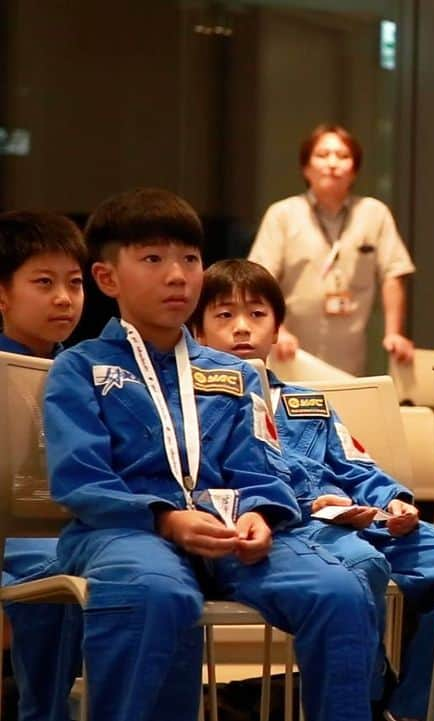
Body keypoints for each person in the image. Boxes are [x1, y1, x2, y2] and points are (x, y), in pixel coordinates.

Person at [44, 188, 379, 721]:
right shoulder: (80, 368)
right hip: (126, 531)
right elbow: (80, 478)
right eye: (153, 259)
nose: (178, 275)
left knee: (337, 589)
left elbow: (262, 466)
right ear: (107, 278)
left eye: (190, 259)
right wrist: (166, 520)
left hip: (231, 532)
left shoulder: (237, 374)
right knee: (154, 591)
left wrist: (261, 515)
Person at [192, 258, 434, 721]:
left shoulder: (307, 402)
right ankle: (368, 698)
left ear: (277, 329)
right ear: (198, 330)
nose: (241, 329)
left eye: (256, 314)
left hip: (358, 519)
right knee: (360, 563)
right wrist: (311, 505)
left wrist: (393, 502)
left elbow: (357, 465)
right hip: (292, 531)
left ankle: (417, 711)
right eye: (224, 316)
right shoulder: (198, 407)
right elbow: (213, 487)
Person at [0, 211, 86, 721]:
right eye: (44, 282)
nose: (63, 297)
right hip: (17, 541)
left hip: (76, 531)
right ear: (3, 294)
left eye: (74, 283)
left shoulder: (92, 369)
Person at [249, 123, 416, 375]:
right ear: (306, 167)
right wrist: (277, 328)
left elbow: (393, 274)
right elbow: (261, 278)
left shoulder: (374, 213)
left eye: (343, 156)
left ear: (355, 170)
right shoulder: (282, 214)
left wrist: (394, 333)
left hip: (350, 355)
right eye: (322, 155)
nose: (333, 163)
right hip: (290, 352)